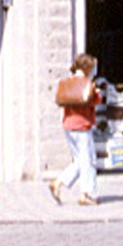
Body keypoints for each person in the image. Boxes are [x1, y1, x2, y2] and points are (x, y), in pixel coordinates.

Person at [48, 52, 100, 207]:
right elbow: (97, 100)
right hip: (82, 126)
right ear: (87, 68)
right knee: (88, 161)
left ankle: (58, 182)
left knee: (79, 160)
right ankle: (87, 194)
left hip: (68, 126)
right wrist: (96, 91)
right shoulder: (87, 83)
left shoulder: (68, 82)